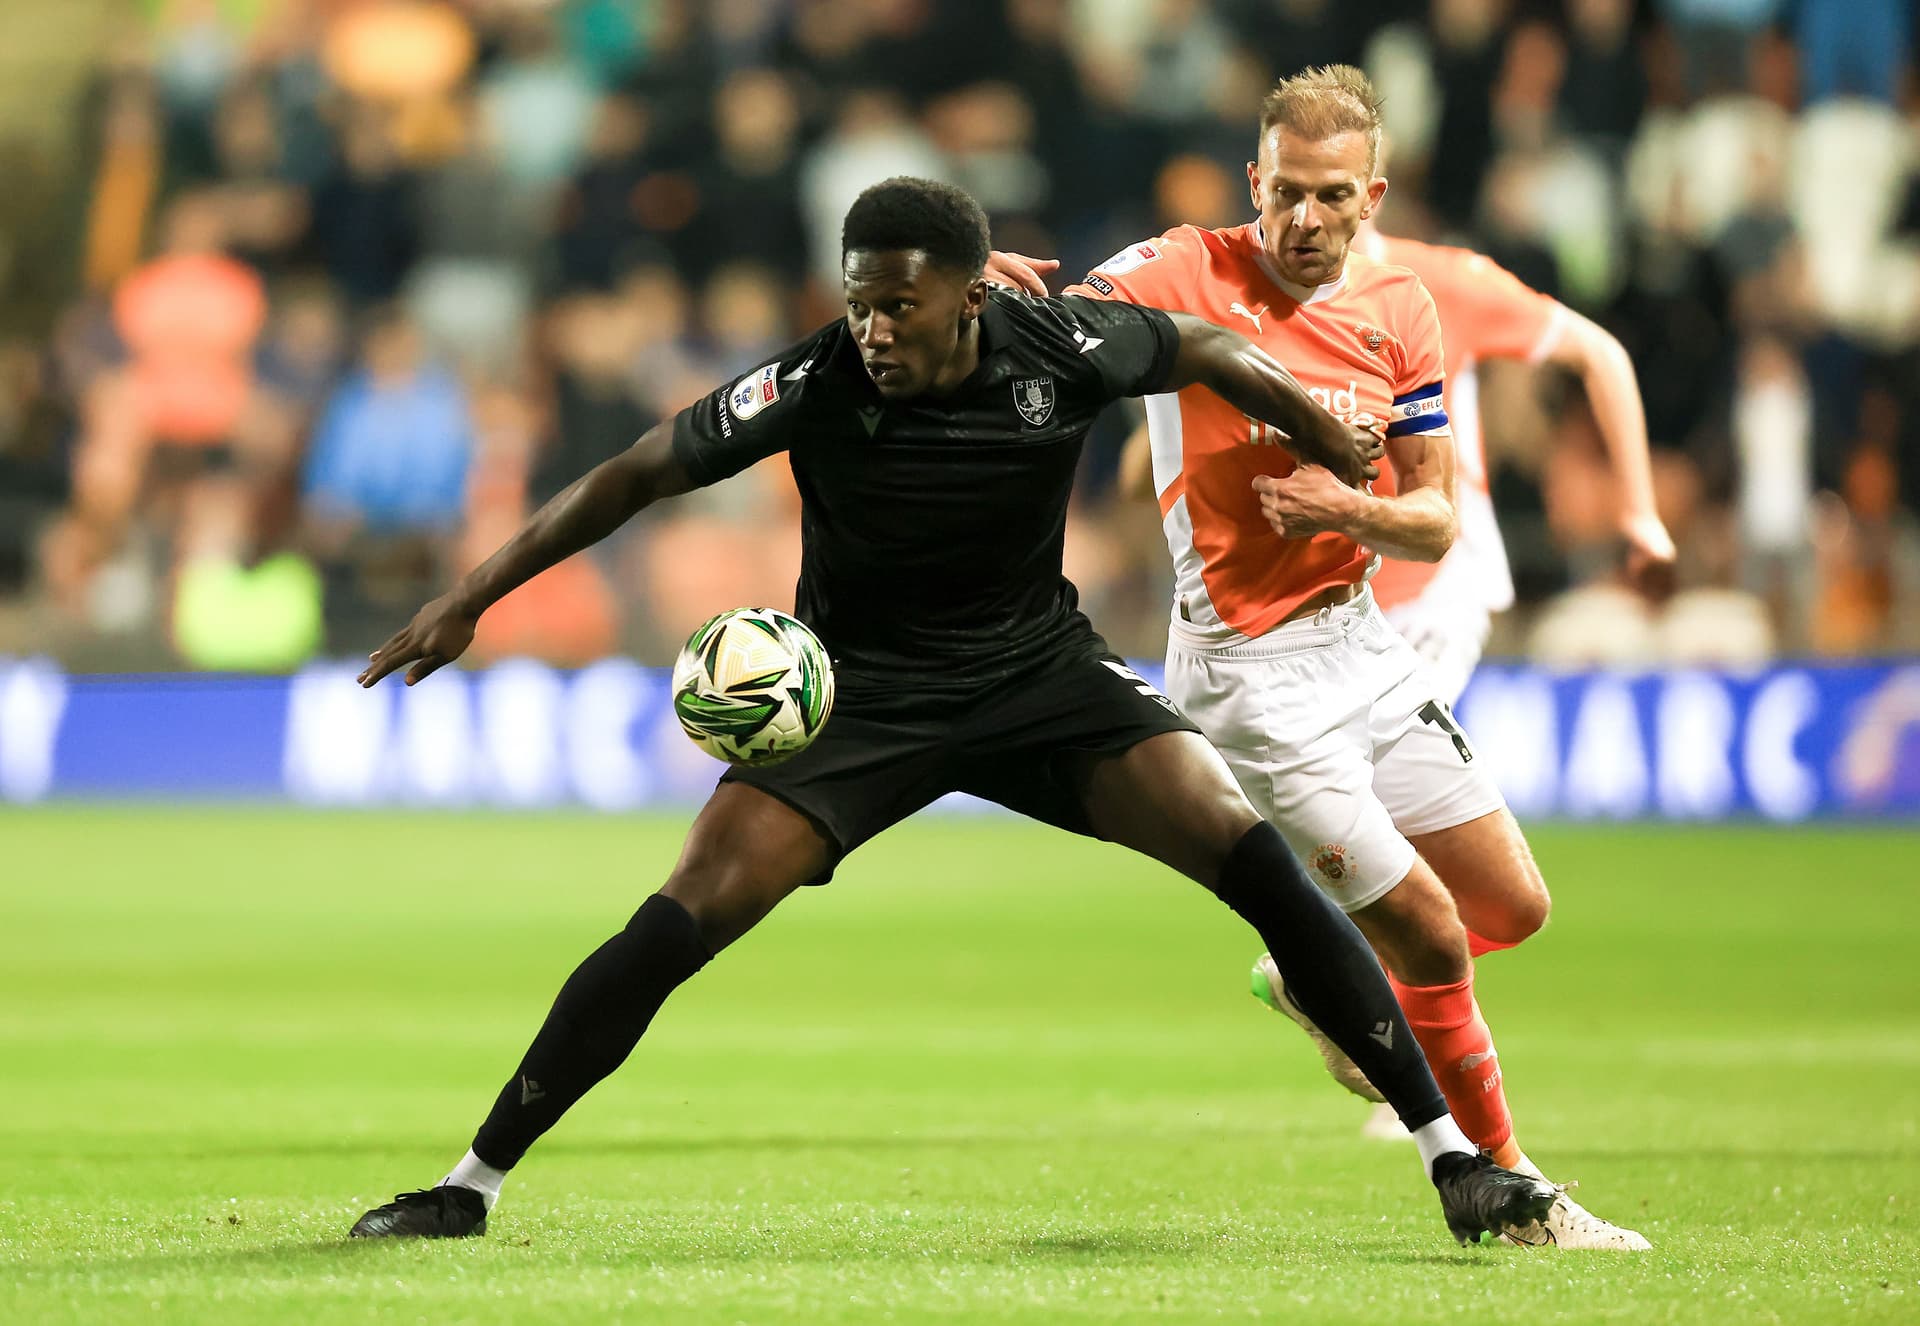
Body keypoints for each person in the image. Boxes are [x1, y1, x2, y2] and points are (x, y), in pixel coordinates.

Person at [346, 176, 1556, 1244]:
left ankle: (1454, 1161)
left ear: (971, 296)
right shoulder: (814, 380)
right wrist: (469, 598)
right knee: (674, 925)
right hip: (861, 702)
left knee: (1260, 867)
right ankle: (471, 1182)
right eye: (861, 299)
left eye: (900, 305)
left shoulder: (1063, 344)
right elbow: (637, 472)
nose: (874, 328)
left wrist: (1327, 442)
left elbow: (1203, 347)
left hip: (1041, 680)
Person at [985, 67, 1650, 1250]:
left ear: (1371, 194)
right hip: (1251, 676)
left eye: (1331, 197)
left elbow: (1437, 517)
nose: (1302, 219)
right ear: (1257, 180)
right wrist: (992, 279)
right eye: (1283, 191)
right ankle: (1510, 1191)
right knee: (1438, 936)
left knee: (1515, 905)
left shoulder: (1402, 307)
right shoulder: (1186, 267)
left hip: (1365, 646)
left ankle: (1317, 979)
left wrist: (1346, 510)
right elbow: (1060, 319)